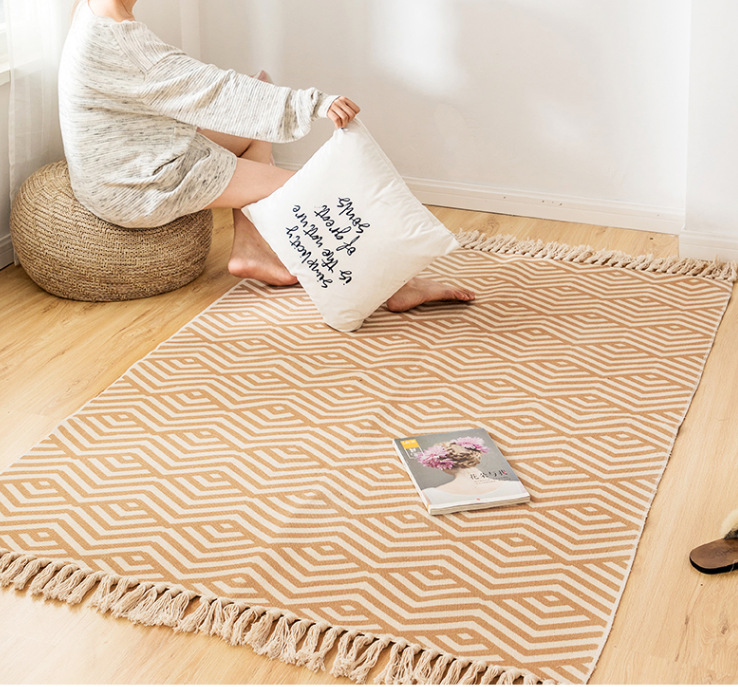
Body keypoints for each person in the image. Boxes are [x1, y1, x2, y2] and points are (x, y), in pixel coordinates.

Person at [60, 0, 475, 313]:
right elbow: (213, 91)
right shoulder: (121, 39)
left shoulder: (92, 10)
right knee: (315, 193)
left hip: (129, 155)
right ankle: (398, 288)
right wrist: (315, 103)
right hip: (140, 180)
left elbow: (179, 90)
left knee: (259, 100)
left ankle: (250, 249)